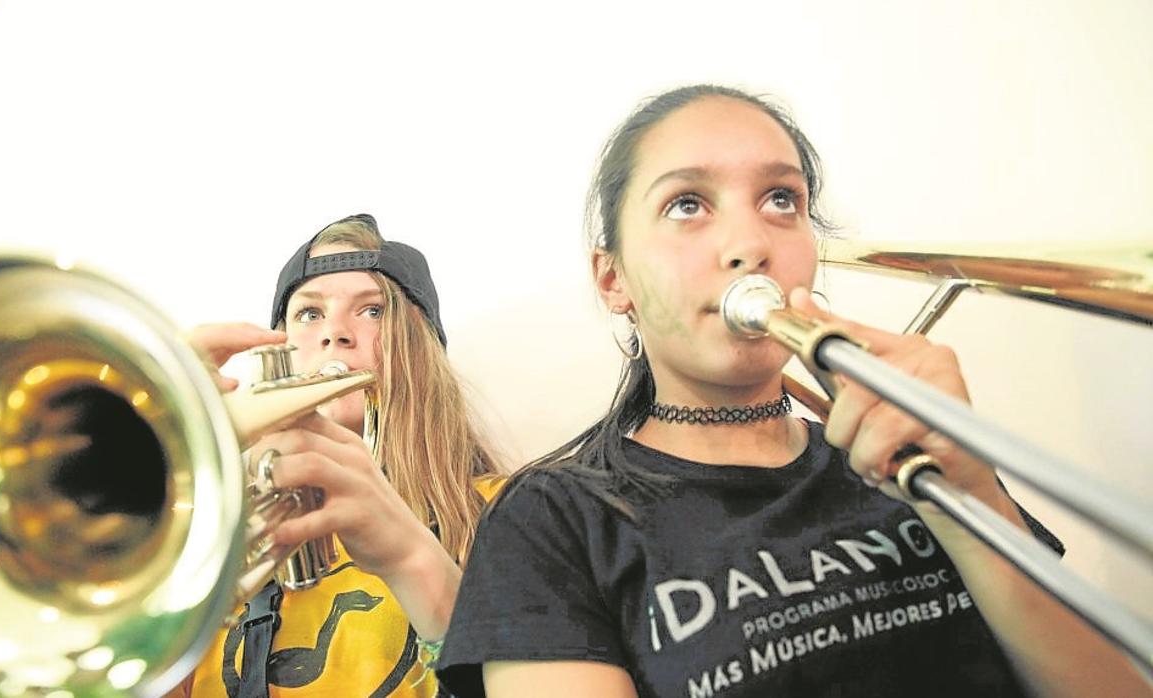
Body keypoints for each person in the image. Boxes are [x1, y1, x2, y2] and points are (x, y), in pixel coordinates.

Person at [436, 85, 1151, 697]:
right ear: (612, 278)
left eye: (781, 199)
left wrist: (969, 495)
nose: (749, 243)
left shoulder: (904, 447)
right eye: (687, 204)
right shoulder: (552, 520)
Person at [171, 213, 504, 697]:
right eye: (309, 313)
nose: (334, 334)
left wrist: (416, 561)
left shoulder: (513, 511)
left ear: (420, 347)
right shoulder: (214, 536)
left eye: (372, 310)